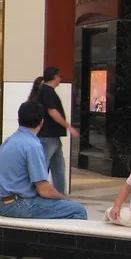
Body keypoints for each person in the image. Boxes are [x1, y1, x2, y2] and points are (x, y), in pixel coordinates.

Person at [0, 100, 87, 220]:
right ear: (42, 122)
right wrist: (63, 199)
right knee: (78, 210)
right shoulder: (32, 145)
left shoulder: (9, 140)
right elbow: (43, 189)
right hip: (17, 204)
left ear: (19, 119)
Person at [36, 66, 79, 195]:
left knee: (58, 167)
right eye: (60, 76)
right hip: (48, 136)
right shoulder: (46, 91)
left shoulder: (46, 91)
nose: (60, 79)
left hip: (53, 136)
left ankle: (60, 194)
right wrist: (68, 126)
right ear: (55, 77)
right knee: (43, 166)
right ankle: (38, 192)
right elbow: (52, 111)